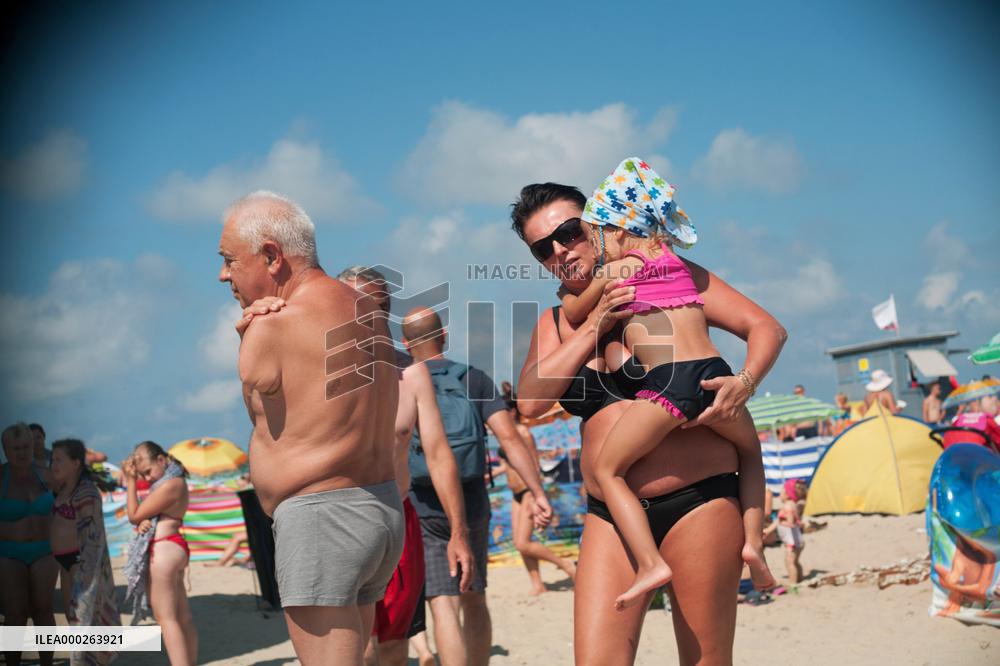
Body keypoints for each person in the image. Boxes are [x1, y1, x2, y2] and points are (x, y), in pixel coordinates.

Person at [511, 181, 787, 665]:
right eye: (542, 248)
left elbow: (763, 326)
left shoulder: (668, 272)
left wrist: (744, 382)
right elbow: (531, 403)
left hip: (699, 502)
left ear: (598, 226)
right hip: (610, 517)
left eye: (569, 232)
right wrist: (593, 325)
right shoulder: (555, 323)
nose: (560, 251)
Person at [559, 157, 775, 607]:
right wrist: (745, 380)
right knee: (751, 453)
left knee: (608, 470)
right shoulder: (680, 266)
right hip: (716, 374)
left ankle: (649, 564)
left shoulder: (619, 269)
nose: (596, 248)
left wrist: (580, 299)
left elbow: (574, 312)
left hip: (670, 382)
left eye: (596, 237)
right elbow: (774, 329)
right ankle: (754, 544)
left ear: (618, 231)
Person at [220, 191, 403, 666]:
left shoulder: (274, 325)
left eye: (229, 260)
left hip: (322, 518)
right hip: (379, 509)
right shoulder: (368, 313)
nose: (224, 274)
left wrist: (248, 336)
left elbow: (263, 424)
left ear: (271, 256)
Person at [337, 265, 473, 666]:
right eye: (355, 306)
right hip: (343, 522)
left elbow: (438, 454)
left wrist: (458, 532)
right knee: (357, 649)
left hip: (398, 521)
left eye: (378, 307)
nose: (368, 316)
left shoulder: (411, 376)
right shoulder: (322, 375)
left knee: (396, 646)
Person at [402, 306, 552, 666]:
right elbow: (509, 438)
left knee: (443, 603)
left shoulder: (402, 383)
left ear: (406, 345)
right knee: (474, 596)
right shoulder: (474, 379)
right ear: (443, 337)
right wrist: (538, 492)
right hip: (470, 499)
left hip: (423, 502)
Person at [122, 441, 196, 666]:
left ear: (162, 460)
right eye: (142, 475)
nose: (147, 478)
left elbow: (133, 515)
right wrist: (144, 521)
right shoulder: (175, 481)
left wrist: (131, 481)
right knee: (182, 617)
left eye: (148, 472)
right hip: (174, 546)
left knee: (166, 619)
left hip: (164, 550)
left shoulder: (169, 485)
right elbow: (147, 515)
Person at [498, 381, 576, 595]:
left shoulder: (523, 433)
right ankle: (537, 584)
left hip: (528, 491)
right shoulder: (505, 435)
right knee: (520, 542)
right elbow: (508, 465)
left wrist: (535, 495)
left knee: (523, 543)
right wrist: (490, 474)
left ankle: (566, 565)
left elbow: (534, 464)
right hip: (515, 493)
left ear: (512, 412)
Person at [49, 439, 121, 666]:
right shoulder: (60, 488)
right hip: (65, 562)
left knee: (84, 620)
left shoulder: (87, 492)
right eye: (52, 459)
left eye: (59, 460)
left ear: (75, 463)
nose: (53, 464)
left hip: (80, 562)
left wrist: (87, 574)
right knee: (75, 622)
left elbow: (93, 538)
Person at [1, 422, 57, 666]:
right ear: (5, 450)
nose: (22, 452)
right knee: (15, 614)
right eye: (15, 448)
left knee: (43, 610)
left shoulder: (47, 475)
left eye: (25, 446)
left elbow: (69, 507)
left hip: (44, 550)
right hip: (8, 552)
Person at [776, 479, 806, 583]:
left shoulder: (788, 506)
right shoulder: (793, 504)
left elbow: (791, 523)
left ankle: (793, 584)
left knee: (790, 562)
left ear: (787, 494)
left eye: (782, 491)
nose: (780, 493)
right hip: (797, 540)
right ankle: (800, 580)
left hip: (791, 542)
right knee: (795, 562)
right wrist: (768, 530)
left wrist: (782, 523)